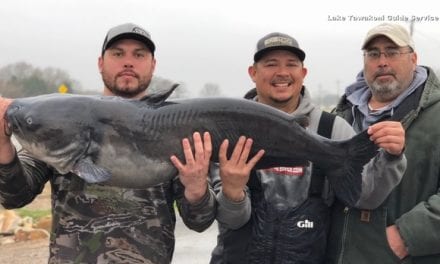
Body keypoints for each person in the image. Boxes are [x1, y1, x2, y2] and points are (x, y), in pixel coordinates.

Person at [0, 22, 216, 263]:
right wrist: (2, 146)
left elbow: (199, 222)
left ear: (152, 65)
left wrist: (197, 191)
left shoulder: (176, 130)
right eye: (117, 53)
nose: (128, 61)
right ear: (100, 62)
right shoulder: (60, 124)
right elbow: (13, 197)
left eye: (139, 54)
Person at [209, 32, 407, 264]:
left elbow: (365, 197)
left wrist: (392, 158)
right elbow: (229, 220)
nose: (282, 72)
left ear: (303, 73)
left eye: (291, 64)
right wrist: (233, 192)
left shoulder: (332, 129)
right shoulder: (228, 129)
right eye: (271, 64)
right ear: (253, 73)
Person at [326, 23, 440, 264]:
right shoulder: (341, 115)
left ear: (413, 58)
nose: (382, 61)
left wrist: (406, 236)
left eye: (392, 52)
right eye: (373, 54)